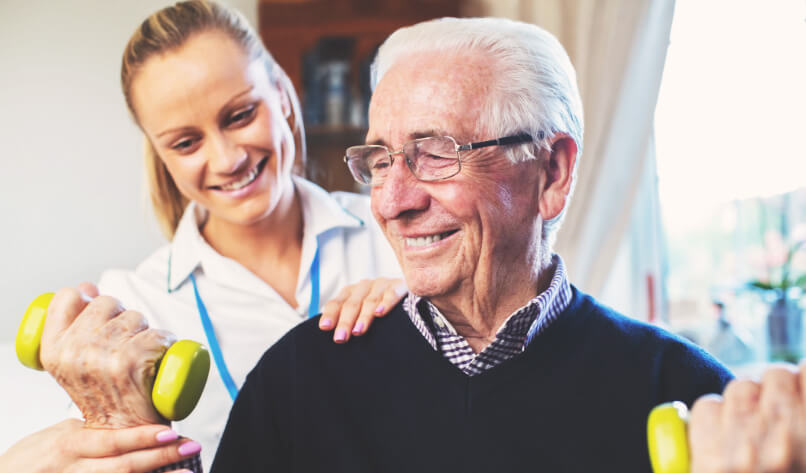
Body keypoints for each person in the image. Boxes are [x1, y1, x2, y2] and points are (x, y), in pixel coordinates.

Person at [206, 16, 795, 472]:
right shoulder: (296, 380)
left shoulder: (688, 399)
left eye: (435, 154)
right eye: (381, 160)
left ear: (553, 173)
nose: (390, 202)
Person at [0, 1, 406, 472]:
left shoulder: (399, 236)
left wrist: (430, 308)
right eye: (186, 142)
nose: (228, 158)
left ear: (280, 93)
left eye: (239, 115)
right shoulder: (134, 309)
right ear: (160, 154)